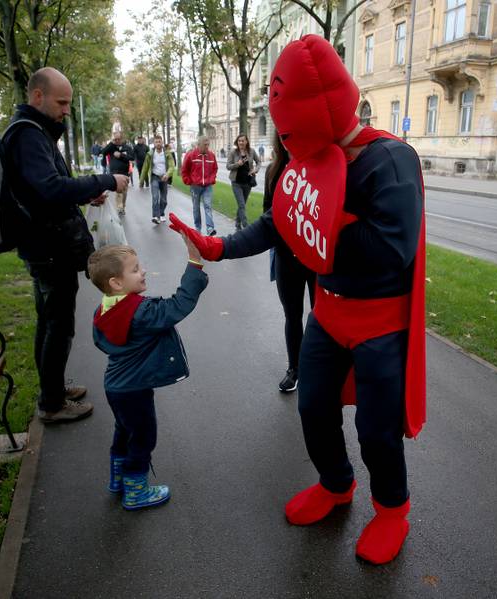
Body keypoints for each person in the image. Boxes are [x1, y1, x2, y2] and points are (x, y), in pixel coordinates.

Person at [169, 35, 425, 565]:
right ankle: (336, 485)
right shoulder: (306, 160)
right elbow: (278, 222)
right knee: (312, 407)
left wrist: (326, 231)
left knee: (376, 430)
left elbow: (391, 249)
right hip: (328, 317)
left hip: (379, 325)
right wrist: (217, 246)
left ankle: (391, 509)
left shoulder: (391, 160)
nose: (285, 141)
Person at [5, 67, 130, 423]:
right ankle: (52, 404)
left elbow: (46, 190)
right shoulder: (29, 136)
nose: (65, 111)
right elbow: (50, 189)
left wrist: (83, 195)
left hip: (43, 245)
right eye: (61, 103)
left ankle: (53, 389)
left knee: (50, 321)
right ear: (37, 96)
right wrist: (105, 179)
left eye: (69, 104)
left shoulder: (34, 133)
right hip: (48, 249)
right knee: (57, 325)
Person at [89, 238, 209, 509]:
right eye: (134, 269)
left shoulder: (104, 308)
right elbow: (177, 306)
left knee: (125, 431)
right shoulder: (139, 312)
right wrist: (195, 263)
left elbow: (100, 341)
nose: (142, 271)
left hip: (115, 387)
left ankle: (118, 479)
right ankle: (136, 491)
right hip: (134, 390)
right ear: (116, 283)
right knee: (143, 437)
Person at [264, 133, 315, 393]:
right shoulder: (274, 172)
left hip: (317, 261)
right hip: (287, 258)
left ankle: (319, 370)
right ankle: (294, 368)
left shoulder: (319, 169)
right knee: (292, 316)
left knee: (321, 317)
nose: (289, 140)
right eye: (284, 136)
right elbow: (266, 217)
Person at [180, 136, 218, 236]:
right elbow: (184, 170)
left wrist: (212, 179)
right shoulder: (191, 155)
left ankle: (210, 228)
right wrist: (188, 181)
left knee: (208, 206)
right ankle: (198, 228)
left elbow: (215, 169)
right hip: (195, 186)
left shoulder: (211, 156)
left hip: (207, 186)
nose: (207, 147)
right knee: (196, 208)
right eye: (205, 145)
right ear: (199, 145)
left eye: (208, 145)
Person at [226, 134, 261, 231]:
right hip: (236, 183)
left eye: (243, 140)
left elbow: (259, 162)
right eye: (239, 141)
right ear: (237, 142)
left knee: (242, 205)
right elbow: (228, 166)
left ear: (246, 141)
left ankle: (237, 223)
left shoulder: (251, 151)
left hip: (248, 182)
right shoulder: (233, 152)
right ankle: (246, 226)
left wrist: (255, 170)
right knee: (241, 204)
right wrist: (237, 164)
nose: (241, 142)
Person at [140, 134, 175, 224]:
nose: (158, 143)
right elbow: (145, 167)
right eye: (156, 142)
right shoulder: (150, 154)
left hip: (164, 178)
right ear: (154, 143)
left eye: (159, 141)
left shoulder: (167, 153)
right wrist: (141, 181)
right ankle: (156, 216)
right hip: (155, 177)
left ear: (162, 142)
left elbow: (172, 166)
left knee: (164, 200)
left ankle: (161, 213)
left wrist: (167, 174)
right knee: (155, 197)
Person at [102, 131, 133, 216]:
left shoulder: (127, 147)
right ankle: (119, 208)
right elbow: (103, 152)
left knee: (124, 192)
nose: (117, 141)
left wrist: (121, 155)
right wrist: (111, 143)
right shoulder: (111, 147)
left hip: (124, 173)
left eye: (118, 139)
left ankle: (122, 206)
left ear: (122, 139)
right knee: (119, 191)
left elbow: (132, 157)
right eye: (115, 139)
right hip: (115, 173)